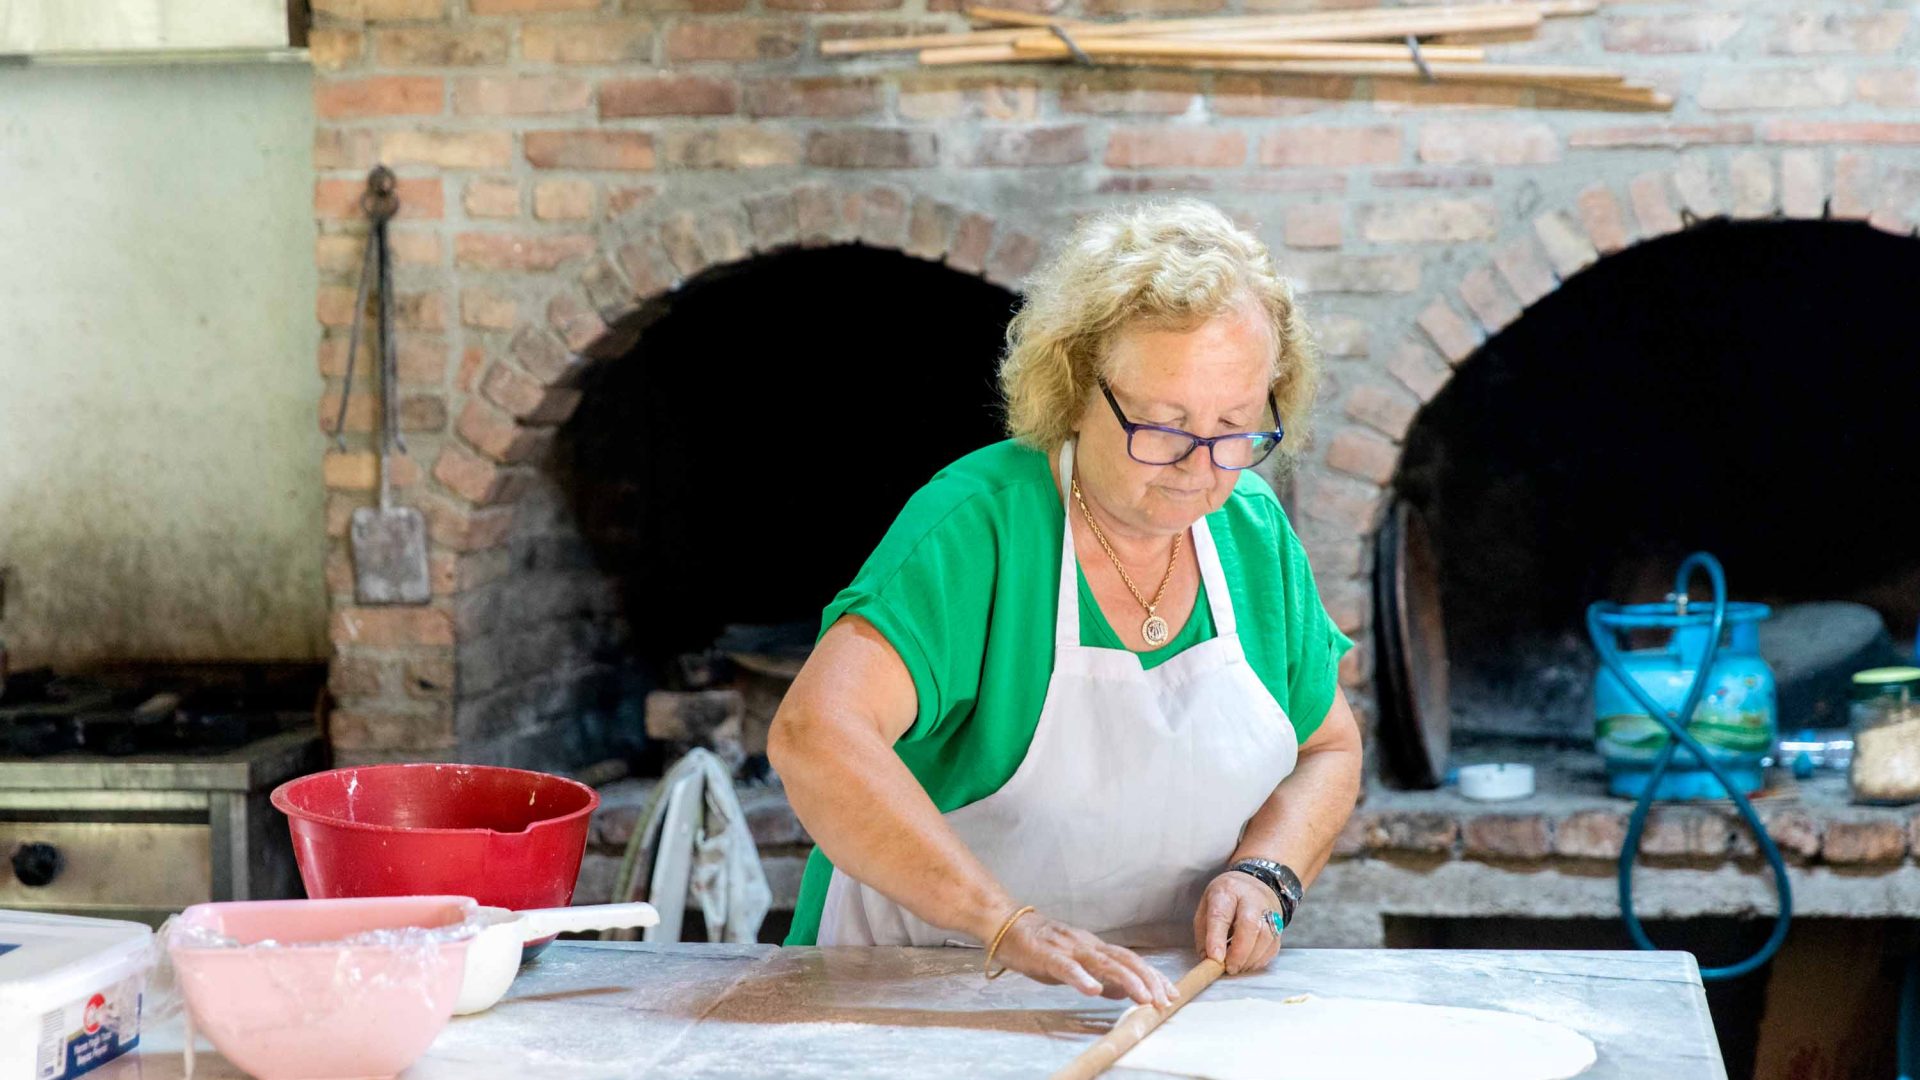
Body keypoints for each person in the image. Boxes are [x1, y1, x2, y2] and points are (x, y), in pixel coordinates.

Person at [768, 198, 1361, 1007]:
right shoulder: (982, 524)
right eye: (1163, 425)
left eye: (1236, 427)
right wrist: (1006, 925)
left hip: (1158, 998)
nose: (1200, 467)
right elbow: (815, 736)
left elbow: (1329, 749)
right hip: (915, 983)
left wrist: (1268, 873)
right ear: (1078, 387)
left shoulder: (1252, 531)